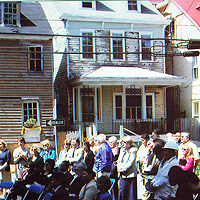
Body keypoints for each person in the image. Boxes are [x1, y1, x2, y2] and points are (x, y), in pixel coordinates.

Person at [117, 136, 137, 200]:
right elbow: (119, 160)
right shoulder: (123, 150)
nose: (123, 144)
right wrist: (119, 168)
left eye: (125, 142)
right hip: (122, 174)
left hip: (130, 175)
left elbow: (130, 162)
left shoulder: (133, 150)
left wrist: (123, 169)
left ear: (129, 143)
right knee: (122, 192)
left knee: (130, 194)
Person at [108, 136, 119, 200]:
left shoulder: (117, 149)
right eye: (109, 142)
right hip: (110, 168)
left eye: (112, 142)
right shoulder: (109, 149)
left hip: (114, 169)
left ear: (115, 142)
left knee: (114, 184)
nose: (110, 144)